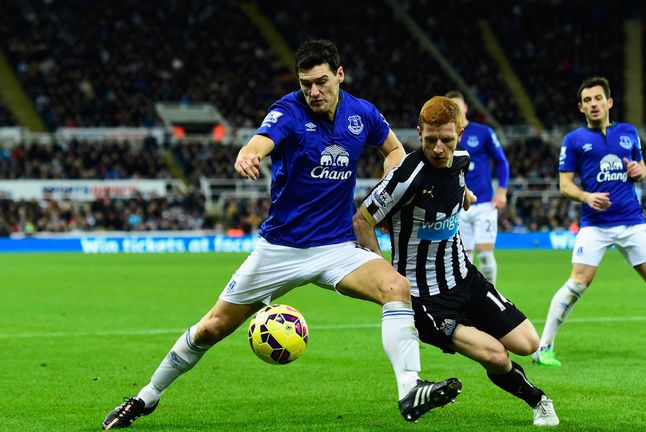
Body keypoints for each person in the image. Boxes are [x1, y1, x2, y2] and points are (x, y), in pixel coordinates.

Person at [101, 40, 461, 430]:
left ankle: (410, 390)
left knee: (396, 287)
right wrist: (248, 153)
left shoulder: (363, 114)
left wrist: (387, 187)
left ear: (340, 75)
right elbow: (260, 140)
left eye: (321, 82)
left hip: (338, 246)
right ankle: (145, 398)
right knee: (212, 328)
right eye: (306, 83)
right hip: (281, 248)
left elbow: (394, 150)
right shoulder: (288, 110)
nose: (314, 92)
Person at [352, 96, 559, 427]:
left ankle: (483, 340)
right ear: (419, 133)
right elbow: (361, 220)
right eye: (430, 139)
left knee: (529, 343)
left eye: (446, 139)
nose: (437, 148)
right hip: (425, 299)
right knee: (495, 355)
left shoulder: (461, 161)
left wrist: (466, 195)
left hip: (465, 279)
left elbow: (453, 184)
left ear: (460, 133)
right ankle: (538, 399)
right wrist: (383, 271)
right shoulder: (405, 176)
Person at [532, 77, 646, 367]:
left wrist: (640, 170)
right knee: (578, 283)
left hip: (632, 221)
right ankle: (544, 348)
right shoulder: (574, 140)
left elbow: (641, 169)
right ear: (581, 107)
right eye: (587, 100)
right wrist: (587, 197)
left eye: (598, 98)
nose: (593, 104)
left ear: (609, 102)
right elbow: (565, 185)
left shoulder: (629, 133)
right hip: (595, 224)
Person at [446, 91, 509, 286]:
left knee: (485, 256)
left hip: (484, 204)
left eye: (458, 106)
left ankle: (492, 298)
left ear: (465, 108)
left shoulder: (483, 132)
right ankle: (468, 304)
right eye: (451, 108)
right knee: (463, 260)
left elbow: (501, 161)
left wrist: (502, 190)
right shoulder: (445, 136)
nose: (455, 111)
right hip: (457, 206)